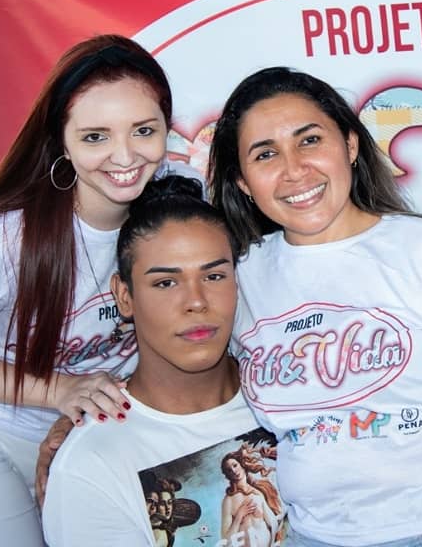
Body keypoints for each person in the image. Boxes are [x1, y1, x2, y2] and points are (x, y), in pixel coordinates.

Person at [208, 67, 422, 546]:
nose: (294, 169)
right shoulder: (238, 278)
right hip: (315, 535)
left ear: (350, 145)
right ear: (242, 181)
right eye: (265, 154)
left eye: (310, 140)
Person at [0, 35, 182, 547]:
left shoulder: (178, 207)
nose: (124, 155)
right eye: (95, 136)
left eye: (144, 130)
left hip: (76, 440)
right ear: (61, 141)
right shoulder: (3, 243)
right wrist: (59, 390)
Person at [42, 175, 287, 546]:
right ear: (124, 296)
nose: (196, 301)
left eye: (214, 275)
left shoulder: (290, 390)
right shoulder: (90, 464)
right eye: (165, 283)